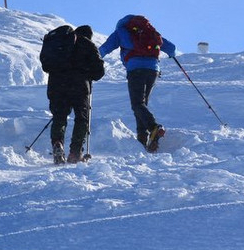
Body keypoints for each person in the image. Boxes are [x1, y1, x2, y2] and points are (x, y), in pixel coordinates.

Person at [98, 14, 177, 152]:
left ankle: (153, 127)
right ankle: (143, 138)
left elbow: (105, 48)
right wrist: (171, 54)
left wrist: (94, 59)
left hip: (136, 69)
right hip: (153, 70)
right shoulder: (149, 31)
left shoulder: (122, 31)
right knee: (142, 104)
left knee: (137, 103)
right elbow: (171, 48)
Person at [40, 24, 105, 164]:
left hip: (56, 85)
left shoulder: (61, 44)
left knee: (59, 116)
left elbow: (46, 66)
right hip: (79, 86)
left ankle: (58, 143)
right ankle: (75, 152)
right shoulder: (88, 44)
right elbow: (99, 71)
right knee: (81, 118)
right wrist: (87, 72)